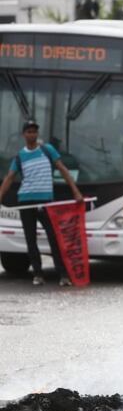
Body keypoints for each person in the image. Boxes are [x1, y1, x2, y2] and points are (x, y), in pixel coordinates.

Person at [0, 120, 84, 286]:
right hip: (26, 201)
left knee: (55, 238)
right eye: (29, 131)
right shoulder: (19, 156)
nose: (32, 134)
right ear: (24, 134)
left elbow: (62, 169)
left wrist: (76, 191)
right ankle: (38, 274)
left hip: (46, 202)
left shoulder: (47, 150)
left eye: (34, 131)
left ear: (37, 134)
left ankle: (63, 274)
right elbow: (9, 178)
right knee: (31, 240)